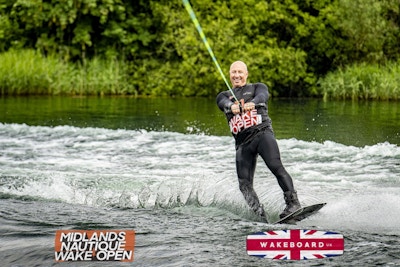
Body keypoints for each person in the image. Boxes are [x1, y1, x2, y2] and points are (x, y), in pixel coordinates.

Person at [216, 60, 301, 223]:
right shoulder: (223, 95)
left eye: (240, 72)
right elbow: (222, 103)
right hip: (242, 145)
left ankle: (293, 204)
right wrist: (230, 106)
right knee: (244, 184)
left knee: (276, 166)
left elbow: (263, 97)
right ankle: (259, 214)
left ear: (246, 74)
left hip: (262, 134)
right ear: (229, 75)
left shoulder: (257, 88)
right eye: (234, 72)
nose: (237, 75)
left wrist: (251, 104)